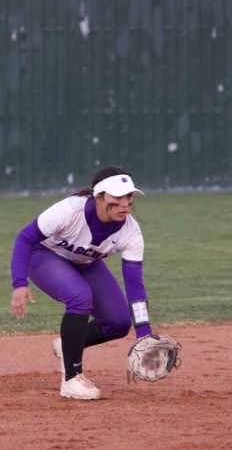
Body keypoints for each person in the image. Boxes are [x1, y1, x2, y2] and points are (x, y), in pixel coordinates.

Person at [9, 167, 154, 400]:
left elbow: (134, 284)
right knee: (80, 296)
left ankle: (67, 344)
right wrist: (19, 283)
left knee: (118, 323)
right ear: (99, 198)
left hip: (86, 263)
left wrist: (144, 332)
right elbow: (25, 238)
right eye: (117, 197)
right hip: (44, 255)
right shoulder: (69, 210)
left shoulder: (131, 232)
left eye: (129, 196)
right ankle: (71, 379)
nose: (125, 203)